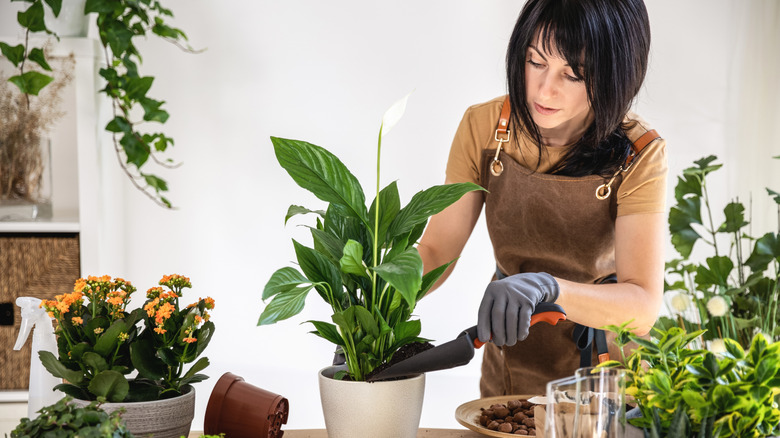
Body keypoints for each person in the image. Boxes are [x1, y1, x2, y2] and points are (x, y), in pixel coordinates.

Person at [417, 0, 667, 396]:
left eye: (573, 75)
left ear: (617, 75)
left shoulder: (639, 152)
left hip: (604, 376)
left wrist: (548, 289)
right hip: (510, 359)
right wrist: (375, 302)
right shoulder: (484, 127)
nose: (545, 89)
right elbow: (435, 250)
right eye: (535, 62)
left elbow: (642, 305)